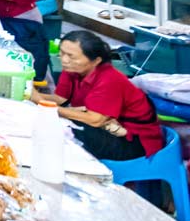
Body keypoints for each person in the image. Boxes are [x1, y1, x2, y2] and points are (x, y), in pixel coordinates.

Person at [33, 30, 164, 161]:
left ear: (96, 61)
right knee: (49, 123)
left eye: (71, 56)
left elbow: (95, 120)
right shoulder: (73, 70)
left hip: (132, 142)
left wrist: (45, 105)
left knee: (59, 132)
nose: (64, 60)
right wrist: (31, 94)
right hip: (104, 127)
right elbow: (60, 99)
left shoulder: (109, 79)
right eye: (62, 53)